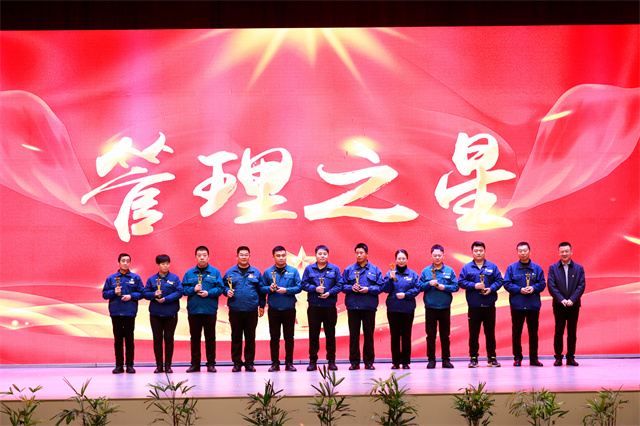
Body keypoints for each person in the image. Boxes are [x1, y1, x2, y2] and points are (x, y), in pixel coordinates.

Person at [458, 241, 504, 368]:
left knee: (490, 333)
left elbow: (500, 280)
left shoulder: (492, 266)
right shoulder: (466, 267)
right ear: (472, 252)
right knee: (473, 334)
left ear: (485, 251)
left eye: (481, 250)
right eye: (476, 251)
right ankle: (473, 358)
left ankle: (492, 358)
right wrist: (474, 286)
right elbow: (461, 282)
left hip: (489, 305)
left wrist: (491, 288)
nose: (478, 253)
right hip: (474, 306)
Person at [341, 243, 384, 370]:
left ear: (367, 254)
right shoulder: (349, 270)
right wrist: (351, 287)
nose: (359, 255)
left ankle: (369, 362)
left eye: (361, 253)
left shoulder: (375, 270)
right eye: (357, 253)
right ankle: (354, 362)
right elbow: (342, 286)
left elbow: (381, 287)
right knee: (354, 335)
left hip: (368, 306)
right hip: (353, 306)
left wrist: (368, 289)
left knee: (369, 335)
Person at [504, 242, 547, 367]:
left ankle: (534, 358)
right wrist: (519, 289)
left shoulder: (537, 268)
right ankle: (517, 358)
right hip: (517, 305)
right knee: (516, 333)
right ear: (517, 252)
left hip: (532, 305)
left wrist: (533, 288)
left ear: (530, 252)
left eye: (525, 250)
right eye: (520, 251)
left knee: (533, 333)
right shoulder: (511, 268)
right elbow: (506, 283)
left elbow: (542, 284)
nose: (523, 253)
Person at [223, 246, 265, 372]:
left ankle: (249, 363)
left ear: (249, 256)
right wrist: (226, 291)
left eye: (246, 254)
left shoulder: (256, 272)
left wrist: (262, 306)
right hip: (235, 309)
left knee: (250, 337)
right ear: (237, 256)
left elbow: (261, 290)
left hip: (251, 309)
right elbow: (223, 286)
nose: (244, 257)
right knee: (236, 337)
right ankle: (237, 363)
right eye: (241, 254)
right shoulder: (230, 272)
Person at [182, 245, 224, 373]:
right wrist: (193, 289)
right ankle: (195, 364)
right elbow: (183, 290)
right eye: (199, 255)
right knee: (195, 338)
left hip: (209, 310)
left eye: (204, 255)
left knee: (210, 338)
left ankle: (211, 364)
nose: (202, 257)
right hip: (194, 310)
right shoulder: (189, 273)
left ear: (208, 257)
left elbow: (220, 289)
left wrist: (209, 293)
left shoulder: (215, 272)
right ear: (195, 257)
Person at [301, 245, 343, 371]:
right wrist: (315, 289)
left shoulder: (334, 269)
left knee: (330, 334)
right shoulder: (309, 269)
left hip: (329, 306)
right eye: (320, 254)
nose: (322, 256)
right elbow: (303, 284)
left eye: (325, 254)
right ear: (316, 255)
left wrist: (329, 292)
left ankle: (331, 361)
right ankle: (312, 361)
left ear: (328, 255)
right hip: (314, 307)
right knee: (313, 335)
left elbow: (340, 284)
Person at [261, 246, 302, 372]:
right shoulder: (268, 272)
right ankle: (275, 363)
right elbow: (261, 288)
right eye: (278, 256)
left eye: (283, 255)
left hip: (289, 309)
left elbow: (299, 287)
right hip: (273, 309)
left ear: (286, 256)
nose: (281, 258)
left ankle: (289, 363)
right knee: (274, 337)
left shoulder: (293, 271)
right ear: (273, 257)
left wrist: (287, 290)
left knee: (289, 337)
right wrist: (269, 288)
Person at [102, 253, 144, 374]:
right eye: (123, 261)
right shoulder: (111, 278)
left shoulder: (135, 278)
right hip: (116, 312)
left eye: (127, 261)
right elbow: (104, 294)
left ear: (130, 263)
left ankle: (130, 365)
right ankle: (119, 366)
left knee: (129, 340)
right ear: (118, 262)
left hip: (130, 312)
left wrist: (131, 296)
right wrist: (113, 292)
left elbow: (142, 293)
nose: (125, 263)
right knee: (118, 340)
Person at [420, 244, 459, 369]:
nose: (437, 257)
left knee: (445, 336)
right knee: (430, 336)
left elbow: (456, 287)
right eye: (435, 255)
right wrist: (429, 284)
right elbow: (419, 287)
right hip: (430, 308)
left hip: (444, 308)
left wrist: (444, 287)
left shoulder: (449, 271)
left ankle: (446, 360)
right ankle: (431, 360)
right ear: (431, 256)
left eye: (439, 255)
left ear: (443, 256)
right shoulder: (426, 271)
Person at [143, 254, 183, 374]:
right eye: (163, 264)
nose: (165, 266)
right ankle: (159, 366)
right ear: (158, 265)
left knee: (169, 339)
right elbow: (145, 293)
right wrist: (153, 294)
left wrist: (166, 299)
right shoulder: (152, 279)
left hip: (171, 314)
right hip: (156, 314)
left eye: (167, 264)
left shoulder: (174, 278)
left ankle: (168, 365)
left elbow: (179, 292)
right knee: (157, 339)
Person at [547, 242, 585, 366]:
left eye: (566, 251)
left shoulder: (579, 268)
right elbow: (551, 285)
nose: (564, 253)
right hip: (559, 305)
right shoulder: (553, 268)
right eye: (562, 251)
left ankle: (570, 357)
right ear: (558, 253)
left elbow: (581, 286)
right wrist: (561, 299)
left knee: (572, 332)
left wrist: (572, 299)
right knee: (559, 331)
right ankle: (558, 357)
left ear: (571, 252)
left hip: (574, 305)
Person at [383, 249, 421, 370]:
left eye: (403, 258)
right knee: (394, 336)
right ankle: (395, 362)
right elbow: (385, 289)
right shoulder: (390, 273)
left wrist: (406, 295)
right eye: (399, 258)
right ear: (395, 260)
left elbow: (417, 289)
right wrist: (390, 279)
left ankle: (405, 362)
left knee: (406, 336)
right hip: (393, 309)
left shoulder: (413, 274)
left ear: (407, 260)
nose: (401, 260)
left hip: (407, 309)